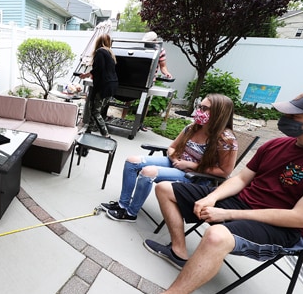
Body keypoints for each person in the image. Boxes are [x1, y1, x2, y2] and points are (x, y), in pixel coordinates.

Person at [123, 89, 303, 294]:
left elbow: (300, 218)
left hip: (281, 228)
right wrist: (213, 197)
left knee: (216, 236)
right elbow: (241, 179)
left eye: (294, 117)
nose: (285, 120)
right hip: (242, 203)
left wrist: (227, 214)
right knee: (165, 188)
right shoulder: (276, 144)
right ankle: (178, 251)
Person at [102, 94, 238, 222]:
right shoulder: (193, 127)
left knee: (148, 172)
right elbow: (172, 147)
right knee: (132, 161)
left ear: (219, 113)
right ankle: (123, 204)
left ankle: (131, 213)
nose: (198, 111)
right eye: (199, 107)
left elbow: (224, 172)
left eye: (204, 108)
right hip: (176, 163)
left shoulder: (226, 140)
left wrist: (190, 165)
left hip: (195, 176)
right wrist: (175, 159)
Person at [79, 34, 118, 138]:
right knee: (95, 109)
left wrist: (85, 75)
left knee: (95, 111)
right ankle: (88, 132)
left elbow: (98, 68)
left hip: (103, 86)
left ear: (98, 42)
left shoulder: (100, 52)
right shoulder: (110, 53)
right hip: (112, 86)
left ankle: (106, 134)